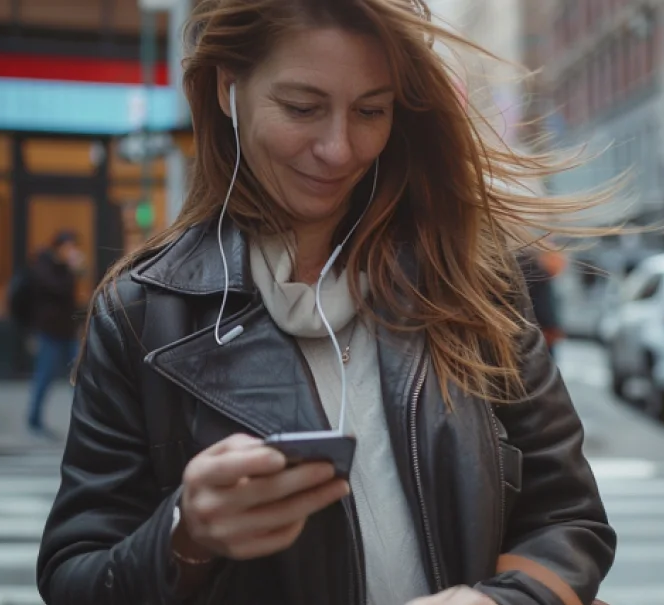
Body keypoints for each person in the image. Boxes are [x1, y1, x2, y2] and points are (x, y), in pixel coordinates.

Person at [36, 1, 616, 604]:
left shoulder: (470, 276)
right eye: (302, 108)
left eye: (370, 111)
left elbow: (569, 518)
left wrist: (500, 602)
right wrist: (187, 532)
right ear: (228, 89)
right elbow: (75, 577)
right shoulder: (141, 312)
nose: (339, 149)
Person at [23, 230, 84, 437]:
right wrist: (72, 270)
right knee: (44, 376)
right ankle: (34, 418)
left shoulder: (63, 268)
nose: (72, 252)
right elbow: (59, 290)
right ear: (59, 248)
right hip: (49, 331)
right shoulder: (43, 266)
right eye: (69, 247)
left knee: (77, 376)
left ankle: (83, 418)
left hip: (66, 330)